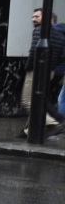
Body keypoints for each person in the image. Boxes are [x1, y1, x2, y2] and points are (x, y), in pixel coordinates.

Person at [23, 8, 65, 137]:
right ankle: (27, 131)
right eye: (33, 16)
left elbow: (33, 51)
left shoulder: (39, 31)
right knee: (40, 99)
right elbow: (62, 55)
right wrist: (53, 68)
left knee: (27, 101)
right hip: (50, 71)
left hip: (36, 70)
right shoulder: (60, 36)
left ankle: (53, 122)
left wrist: (28, 67)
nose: (33, 19)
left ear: (47, 18)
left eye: (37, 16)